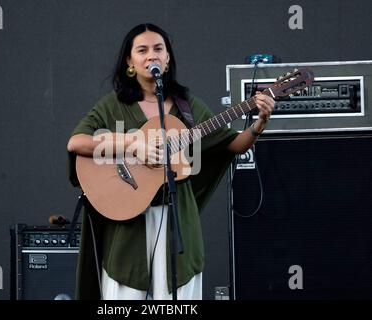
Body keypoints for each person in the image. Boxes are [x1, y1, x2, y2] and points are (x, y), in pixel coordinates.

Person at [67, 23, 275, 300]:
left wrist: (260, 122)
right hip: (129, 222)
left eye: (158, 49)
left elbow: (232, 145)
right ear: (130, 61)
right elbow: (77, 142)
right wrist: (134, 143)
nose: (151, 55)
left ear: (167, 58)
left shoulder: (187, 107)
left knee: (180, 298)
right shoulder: (112, 105)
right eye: (142, 50)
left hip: (178, 216)